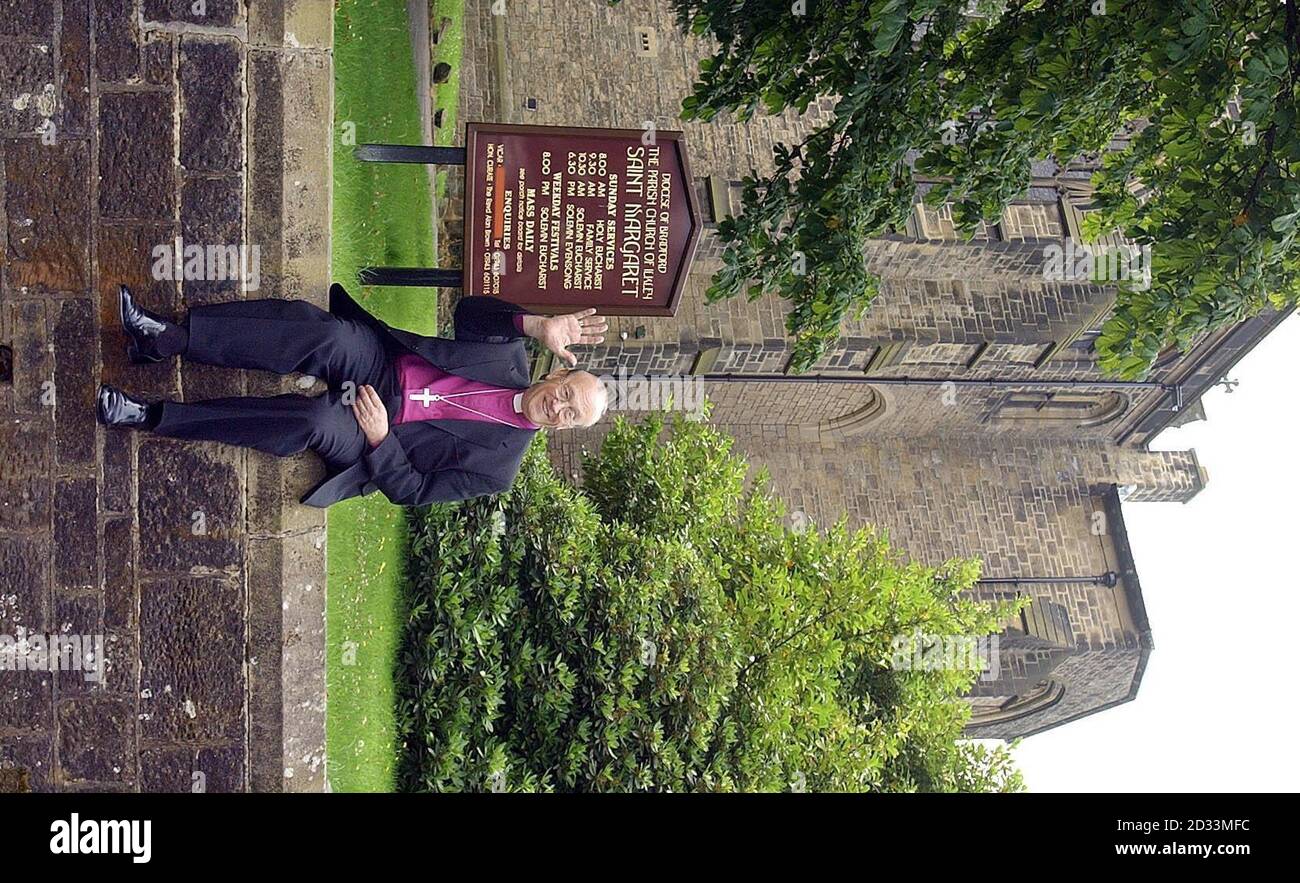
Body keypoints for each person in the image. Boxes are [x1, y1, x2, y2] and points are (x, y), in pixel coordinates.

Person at [96, 284, 609, 507]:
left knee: (315, 420)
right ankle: (166, 340)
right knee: (331, 336)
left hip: (376, 435)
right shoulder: (508, 356)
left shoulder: (498, 471)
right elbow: (470, 314)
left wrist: (382, 439)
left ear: (564, 427)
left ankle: (151, 415)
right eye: (566, 393)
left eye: (570, 415)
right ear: (556, 377)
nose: (559, 407)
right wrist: (534, 322)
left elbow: (415, 492)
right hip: (382, 366)